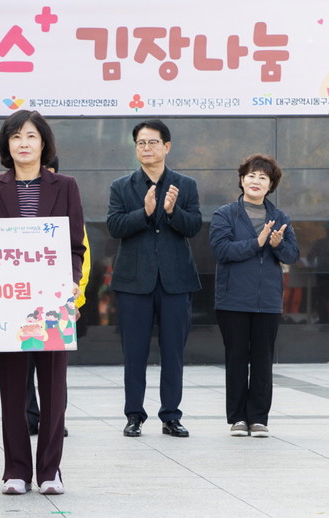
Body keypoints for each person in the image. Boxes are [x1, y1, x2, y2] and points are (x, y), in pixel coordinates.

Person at [0, 109, 86, 495]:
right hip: (8, 302)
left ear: (43, 143)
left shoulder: (65, 186)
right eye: (16, 137)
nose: (23, 143)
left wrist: (71, 286)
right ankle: (16, 470)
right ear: (6, 145)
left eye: (31, 136)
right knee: (11, 390)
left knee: (54, 390)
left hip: (53, 302)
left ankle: (50, 471)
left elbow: (75, 246)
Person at [107, 119, 201, 439]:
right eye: (141, 143)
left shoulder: (185, 185)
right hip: (134, 282)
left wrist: (173, 211)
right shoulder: (121, 186)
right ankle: (134, 415)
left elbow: (194, 226)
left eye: (152, 142)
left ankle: (171, 415)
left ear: (166, 146)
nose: (146, 148)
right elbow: (115, 226)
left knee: (173, 353)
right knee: (134, 353)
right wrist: (145, 212)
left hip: (176, 281)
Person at [209, 154, 299, 437]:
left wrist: (277, 244)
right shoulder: (225, 214)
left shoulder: (280, 217)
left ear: (271, 185)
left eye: (263, 177)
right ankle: (237, 418)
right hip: (233, 299)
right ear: (241, 180)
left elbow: (292, 255)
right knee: (236, 358)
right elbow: (221, 250)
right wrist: (257, 242)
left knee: (262, 360)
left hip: (267, 301)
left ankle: (258, 418)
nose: (256, 181)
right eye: (251, 175)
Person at [24, 156, 91, 438]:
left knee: (54, 369)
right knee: (23, 364)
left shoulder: (65, 207)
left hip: (56, 302)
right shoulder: (18, 207)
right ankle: (29, 417)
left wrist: (75, 300)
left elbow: (82, 259)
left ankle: (54, 419)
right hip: (20, 298)